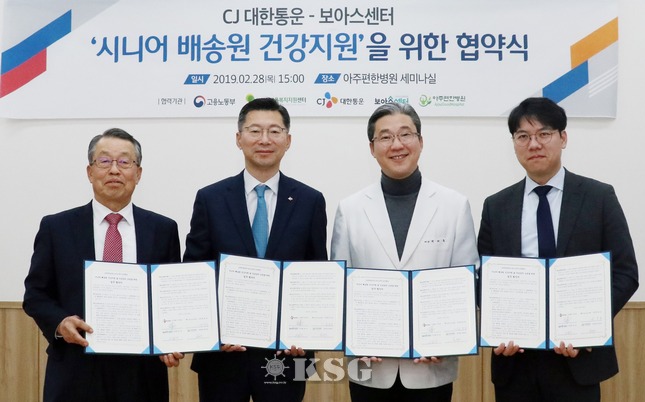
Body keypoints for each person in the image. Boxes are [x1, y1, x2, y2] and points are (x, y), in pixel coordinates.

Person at [477, 97, 639, 402]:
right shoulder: (496, 206)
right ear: (514, 144)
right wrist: (498, 327)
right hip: (516, 360)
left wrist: (589, 326)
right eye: (523, 136)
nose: (534, 144)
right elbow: (484, 279)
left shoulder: (598, 197)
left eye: (544, 134)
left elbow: (625, 273)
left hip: (578, 358)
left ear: (563, 138)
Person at [330, 102, 479, 402]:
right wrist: (354, 338)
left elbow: (467, 283)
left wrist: (447, 340)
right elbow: (339, 286)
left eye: (405, 134)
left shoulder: (454, 205)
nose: (396, 145)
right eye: (385, 137)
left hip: (431, 368)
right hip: (370, 367)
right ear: (372, 148)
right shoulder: (350, 208)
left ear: (420, 141)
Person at [183, 97, 328, 402]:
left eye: (274, 131)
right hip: (223, 356)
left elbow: (317, 276)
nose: (264, 140)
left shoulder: (310, 201)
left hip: (287, 356)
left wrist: (307, 335)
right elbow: (195, 274)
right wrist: (212, 335)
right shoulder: (210, 199)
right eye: (254, 131)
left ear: (288, 140)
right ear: (239, 139)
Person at [23, 128, 183, 402]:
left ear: (138, 173)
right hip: (75, 369)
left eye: (124, 162)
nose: (114, 170)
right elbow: (36, 295)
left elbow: (172, 298)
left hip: (142, 374)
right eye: (104, 161)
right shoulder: (56, 227)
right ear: (90, 172)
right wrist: (60, 323)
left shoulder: (163, 229)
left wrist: (173, 339)